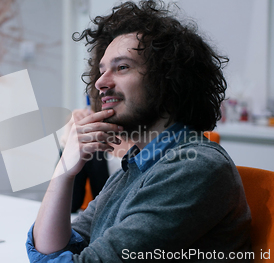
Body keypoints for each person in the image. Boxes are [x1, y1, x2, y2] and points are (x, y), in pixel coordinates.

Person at [26, 1, 252, 262]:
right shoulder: (136, 164)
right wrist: (64, 170)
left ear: (169, 81)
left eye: (122, 67)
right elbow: (52, 249)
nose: (100, 82)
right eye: (101, 71)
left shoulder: (192, 168)